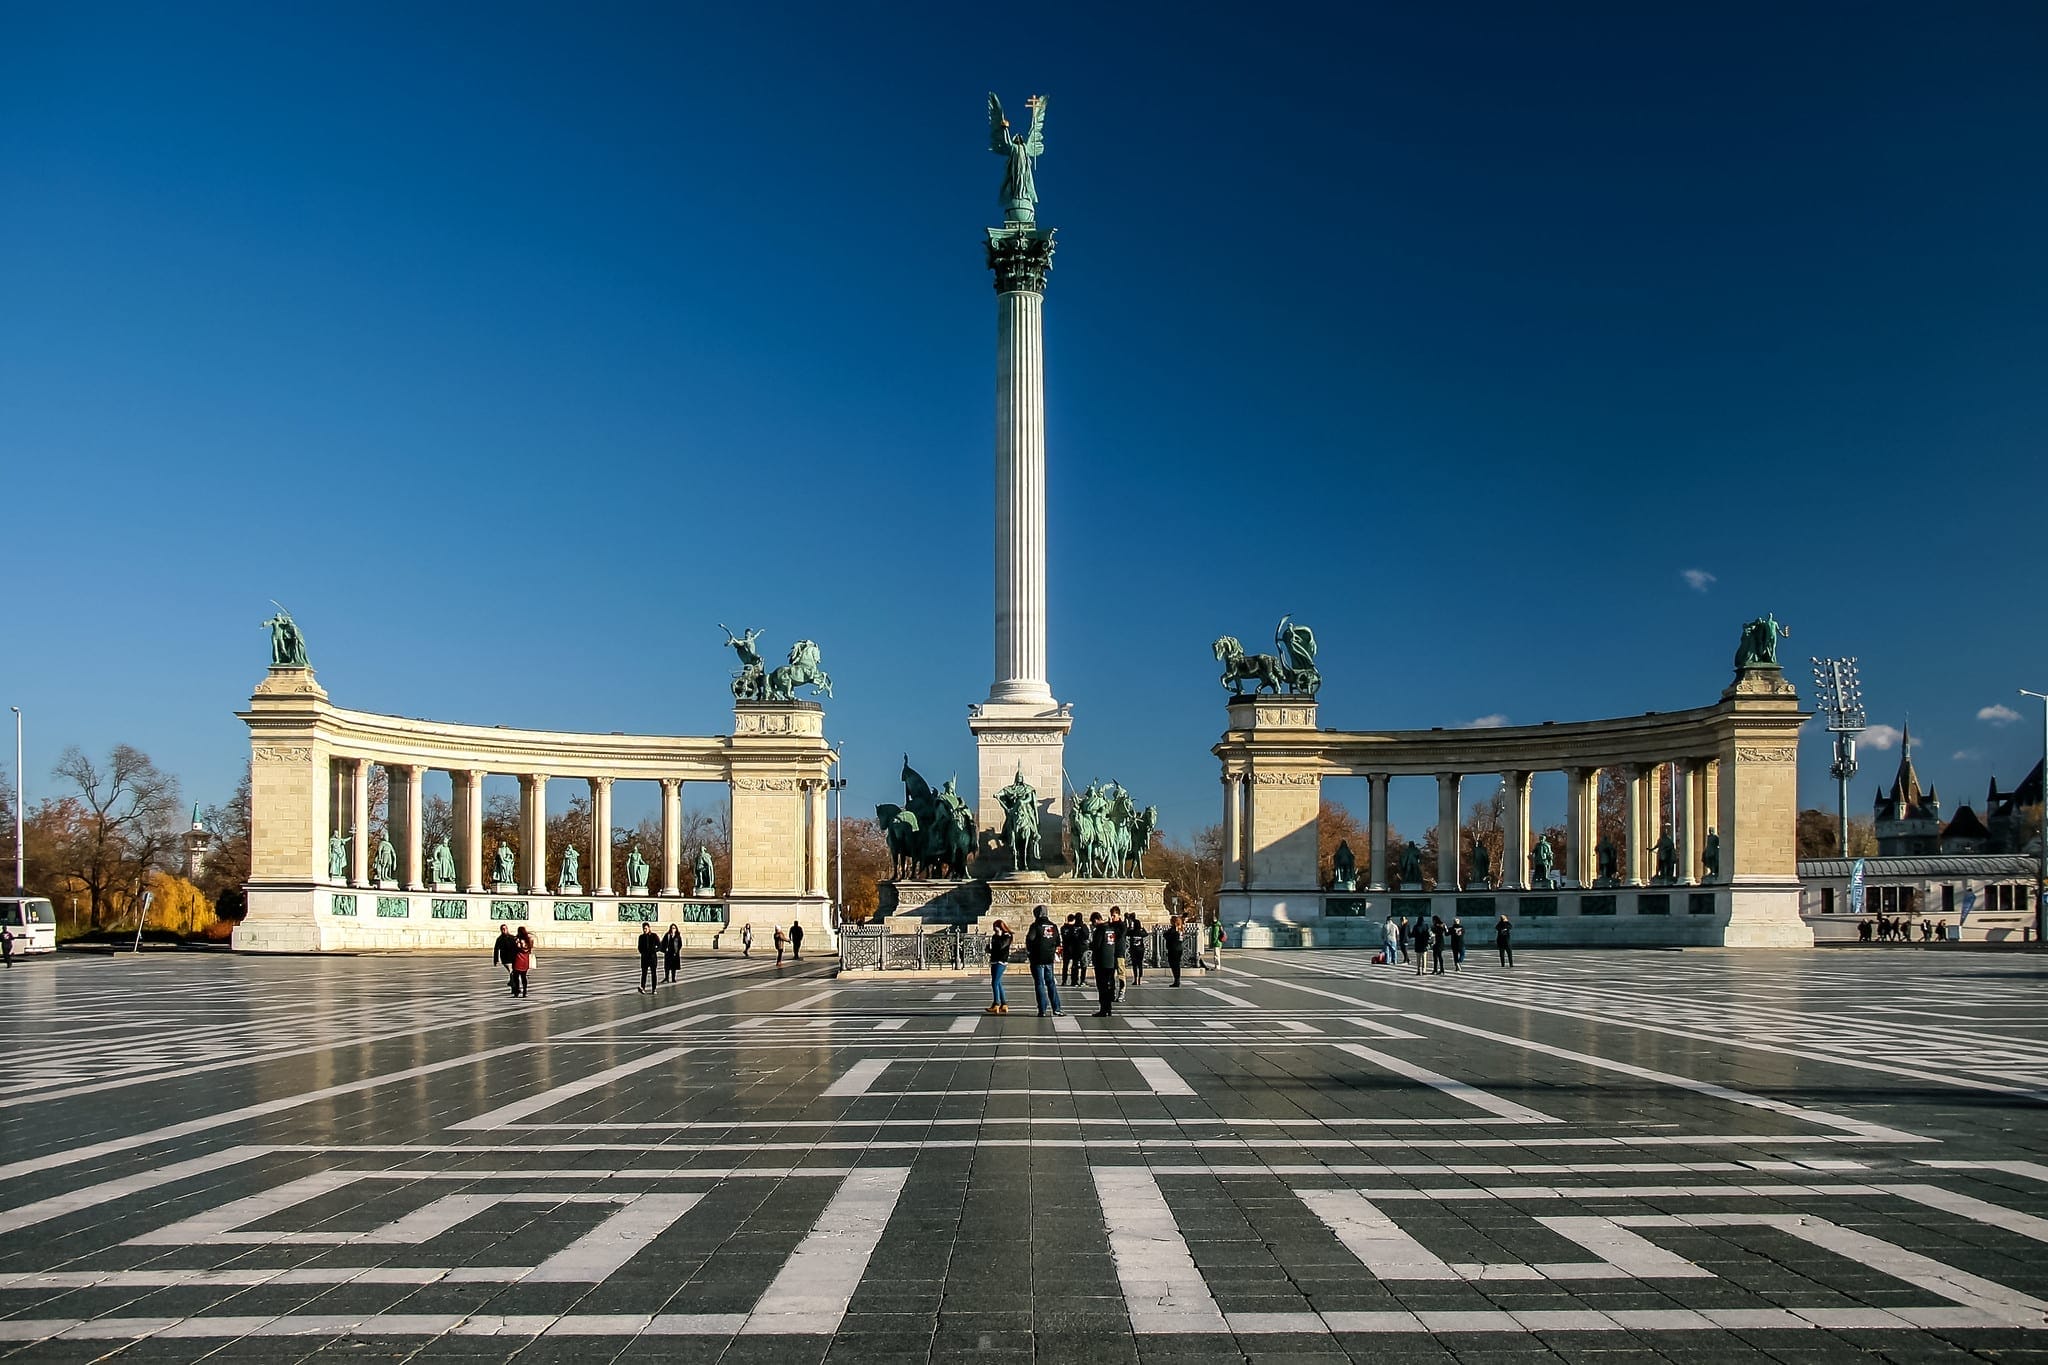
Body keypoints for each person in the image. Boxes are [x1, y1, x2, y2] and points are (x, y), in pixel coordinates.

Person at [1024, 905, 1064, 1016]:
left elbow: (1030, 939)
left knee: (1040, 984)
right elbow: (1057, 942)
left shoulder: (1036, 925)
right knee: (1051, 983)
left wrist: (1030, 952)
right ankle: (1056, 1008)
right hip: (1049, 959)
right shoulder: (1053, 926)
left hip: (1037, 959)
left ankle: (1042, 1009)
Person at [1088, 910, 1123, 1017]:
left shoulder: (1100, 930)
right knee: (1110, 985)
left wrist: (1089, 945)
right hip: (1111, 961)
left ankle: (1103, 1009)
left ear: (1095, 920)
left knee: (1102, 986)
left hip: (1101, 962)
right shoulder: (1111, 929)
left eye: (1093, 923)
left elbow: (1096, 946)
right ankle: (1109, 1008)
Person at [986, 919, 1014, 1015]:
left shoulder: (1007, 936)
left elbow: (1002, 946)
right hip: (994, 960)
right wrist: (989, 950)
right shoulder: (995, 936)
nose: (994, 929)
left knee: (994, 982)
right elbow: (995, 948)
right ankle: (1004, 1004)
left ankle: (996, 1003)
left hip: (1001, 961)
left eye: (995, 927)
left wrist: (998, 936)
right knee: (998, 983)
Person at [1062, 914, 1087, 987]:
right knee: (1080, 965)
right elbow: (1086, 935)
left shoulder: (1067, 927)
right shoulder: (1080, 926)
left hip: (1071, 948)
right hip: (1077, 948)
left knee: (1072, 965)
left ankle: (1069, 980)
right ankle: (1079, 981)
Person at [492, 924, 519, 994]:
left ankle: (513, 986)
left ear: (507, 929)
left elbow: (517, 948)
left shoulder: (512, 937)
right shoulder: (499, 939)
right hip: (505, 959)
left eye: (505, 929)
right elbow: (496, 949)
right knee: (511, 971)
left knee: (512, 973)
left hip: (513, 958)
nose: (504, 930)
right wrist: (496, 960)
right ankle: (514, 987)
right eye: (502, 929)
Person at [637, 923, 660, 992]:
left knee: (653, 973)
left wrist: (654, 950)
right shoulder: (641, 937)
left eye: (646, 928)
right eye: (644, 929)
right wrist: (643, 952)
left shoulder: (654, 936)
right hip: (644, 958)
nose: (645, 930)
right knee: (644, 973)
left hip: (652, 957)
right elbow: (639, 947)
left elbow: (659, 945)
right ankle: (642, 987)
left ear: (649, 928)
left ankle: (654, 988)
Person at [511, 927, 533, 997]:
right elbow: (529, 949)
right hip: (525, 960)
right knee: (523, 976)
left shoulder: (518, 940)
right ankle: (525, 990)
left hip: (518, 960)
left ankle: (517, 990)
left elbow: (516, 947)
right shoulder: (528, 940)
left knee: (516, 977)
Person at [1125, 911, 1146, 985]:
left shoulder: (1132, 932)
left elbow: (1126, 933)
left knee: (1134, 965)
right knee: (1140, 964)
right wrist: (1143, 928)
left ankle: (1135, 979)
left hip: (1133, 949)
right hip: (1140, 949)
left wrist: (1129, 926)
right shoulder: (1140, 932)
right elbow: (1146, 934)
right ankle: (1140, 979)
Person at [1163, 915, 1184, 987]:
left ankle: (1176, 980)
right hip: (1179, 948)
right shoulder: (1180, 928)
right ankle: (1177, 980)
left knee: (1174, 964)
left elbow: (1166, 935)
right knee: (1177, 965)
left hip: (1173, 949)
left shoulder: (1173, 929)